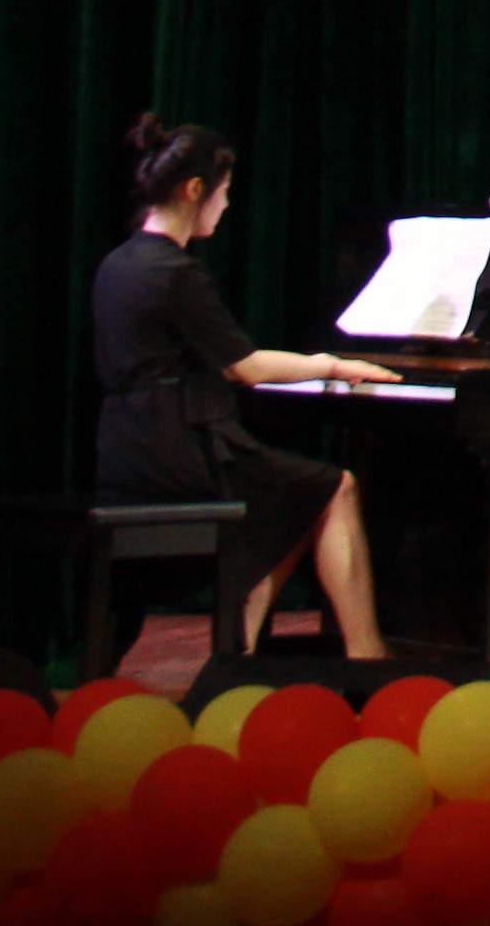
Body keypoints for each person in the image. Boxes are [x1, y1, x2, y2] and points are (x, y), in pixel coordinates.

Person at [92, 116, 395, 655]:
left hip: (127, 447)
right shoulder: (174, 271)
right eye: (224, 191)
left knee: (297, 494)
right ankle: (367, 655)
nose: (228, 204)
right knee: (334, 487)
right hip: (178, 451)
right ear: (194, 190)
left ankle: (243, 648)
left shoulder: (119, 263)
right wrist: (331, 365)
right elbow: (246, 367)